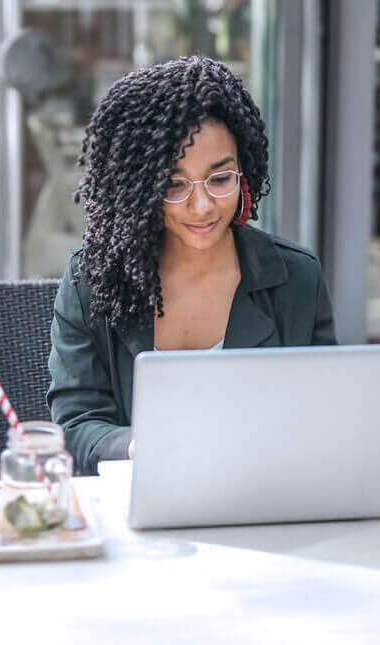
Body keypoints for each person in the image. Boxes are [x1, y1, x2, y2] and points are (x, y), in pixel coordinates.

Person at [47, 56, 337, 474]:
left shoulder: (296, 278)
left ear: (244, 173)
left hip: (265, 493)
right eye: (173, 185)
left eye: (220, 179)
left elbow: (322, 417)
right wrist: (141, 447)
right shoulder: (92, 281)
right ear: (140, 188)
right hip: (136, 498)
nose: (202, 207)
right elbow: (76, 426)